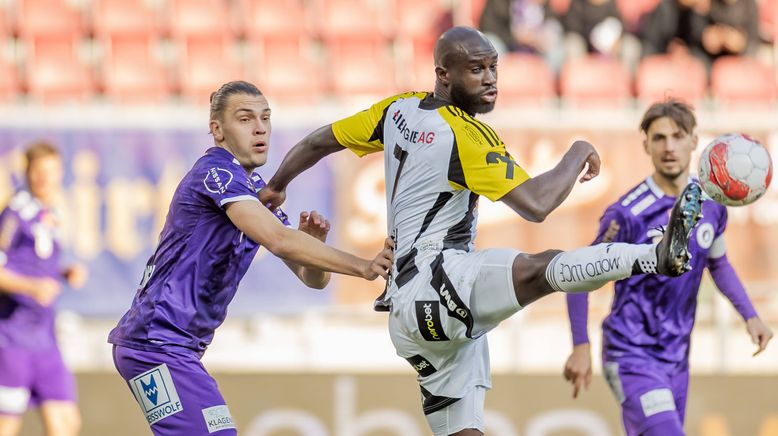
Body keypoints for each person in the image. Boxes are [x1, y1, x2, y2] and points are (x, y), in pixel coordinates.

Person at [259, 27, 704, 436]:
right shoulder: (466, 135)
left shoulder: (397, 109)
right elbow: (536, 204)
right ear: (443, 74)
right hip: (436, 281)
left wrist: (278, 184)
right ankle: (655, 257)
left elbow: (321, 140)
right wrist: (579, 150)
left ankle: (656, 255)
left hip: (405, 315)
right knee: (541, 267)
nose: (490, 78)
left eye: (493, 67)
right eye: (476, 69)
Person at [107, 81, 393, 435]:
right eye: (245, 119)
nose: (259, 128)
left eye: (265, 118)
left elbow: (311, 279)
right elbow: (277, 239)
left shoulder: (251, 188)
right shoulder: (216, 174)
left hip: (173, 346)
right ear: (217, 130)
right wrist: (364, 266)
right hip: (155, 343)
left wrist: (314, 245)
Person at [563, 99, 774, 436]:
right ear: (645, 144)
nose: (669, 147)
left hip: (676, 358)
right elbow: (580, 275)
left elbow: (718, 264)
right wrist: (580, 345)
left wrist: (750, 316)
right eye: (659, 138)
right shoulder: (628, 213)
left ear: (694, 140)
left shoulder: (712, 204)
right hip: (630, 353)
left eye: (677, 136)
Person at [0, 141, 88, 436]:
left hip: (45, 339)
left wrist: (64, 272)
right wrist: (31, 286)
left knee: (66, 422)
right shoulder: (15, 213)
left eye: (50, 171)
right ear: (27, 172)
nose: (45, 178)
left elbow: (32, 264)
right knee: (6, 425)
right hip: (12, 338)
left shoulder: (49, 213)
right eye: (39, 171)